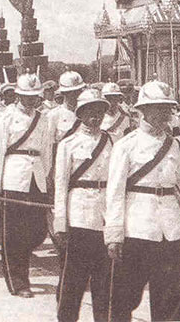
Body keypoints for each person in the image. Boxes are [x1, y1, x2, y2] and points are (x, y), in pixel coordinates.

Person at [104, 80, 180, 322]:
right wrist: (114, 235)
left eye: (168, 107)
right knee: (125, 296)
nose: (166, 113)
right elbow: (114, 192)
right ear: (143, 110)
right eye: (159, 107)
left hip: (171, 230)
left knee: (173, 296)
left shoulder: (174, 144)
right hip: (137, 228)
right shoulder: (126, 145)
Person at [0, 72, 52, 298]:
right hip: (14, 176)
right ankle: (18, 283)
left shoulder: (44, 119)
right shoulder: (6, 117)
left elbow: (47, 152)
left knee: (37, 231)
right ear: (18, 96)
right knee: (14, 234)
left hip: (36, 178)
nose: (30, 100)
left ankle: (21, 270)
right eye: (26, 96)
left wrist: (45, 178)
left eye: (34, 96)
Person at [54, 89, 113, 322]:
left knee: (105, 279)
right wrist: (61, 222)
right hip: (78, 215)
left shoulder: (111, 142)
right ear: (80, 114)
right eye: (90, 112)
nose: (95, 117)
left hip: (104, 216)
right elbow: (60, 185)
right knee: (73, 280)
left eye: (99, 112)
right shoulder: (68, 144)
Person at [48, 71, 86, 144]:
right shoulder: (54, 114)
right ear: (63, 93)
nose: (76, 94)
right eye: (71, 92)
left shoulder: (87, 113)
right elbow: (49, 143)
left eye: (78, 91)